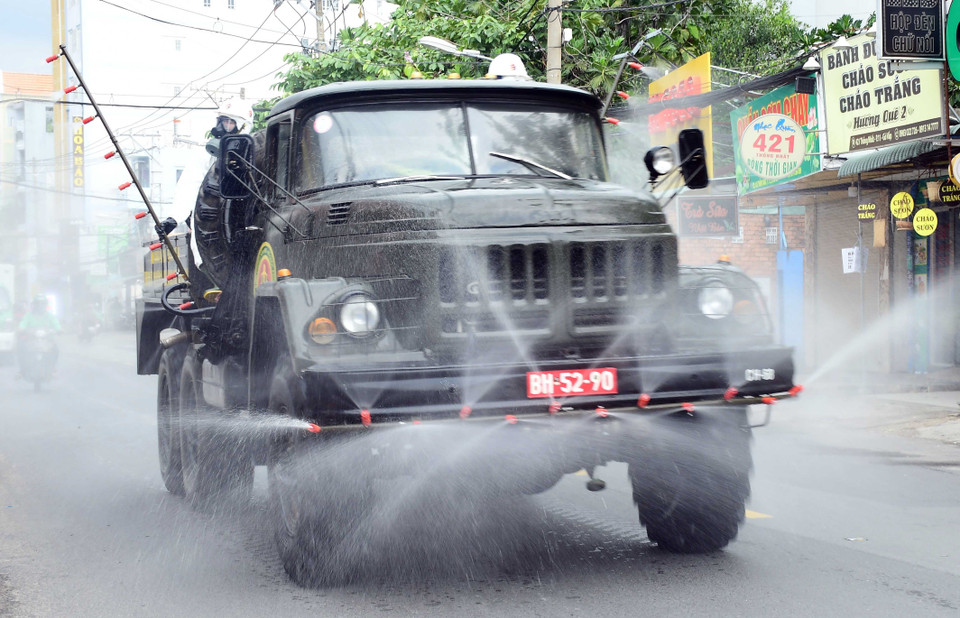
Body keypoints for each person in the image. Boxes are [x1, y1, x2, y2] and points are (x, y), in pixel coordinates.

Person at [17, 294, 60, 375]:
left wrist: (59, 330)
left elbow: (56, 325)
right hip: (30, 340)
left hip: (47, 340)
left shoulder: (50, 316)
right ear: (34, 305)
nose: (40, 306)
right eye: (38, 303)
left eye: (42, 303)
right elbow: (22, 324)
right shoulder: (28, 316)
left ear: (45, 305)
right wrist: (21, 329)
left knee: (55, 349)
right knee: (20, 347)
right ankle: (22, 370)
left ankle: (53, 368)